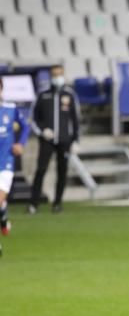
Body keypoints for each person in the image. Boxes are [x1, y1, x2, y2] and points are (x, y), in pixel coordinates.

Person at [28, 66, 80, 215]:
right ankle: (34, 204)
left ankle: (57, 203)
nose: (57, 77)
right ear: (50, 76)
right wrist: (42, 131)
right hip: (47, 139)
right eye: (54, 75)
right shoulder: (43, 94)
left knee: (62, 171)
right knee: (41, 170)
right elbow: (34, 118)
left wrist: (75, 140)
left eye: (59, 75)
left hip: (64, 140)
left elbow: (75, 120)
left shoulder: (69, 95)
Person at [0, 77, 29, 256]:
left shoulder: (11, 109)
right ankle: (3, 215)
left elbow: (25, 127)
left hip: (5, 163)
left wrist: (21, 144)